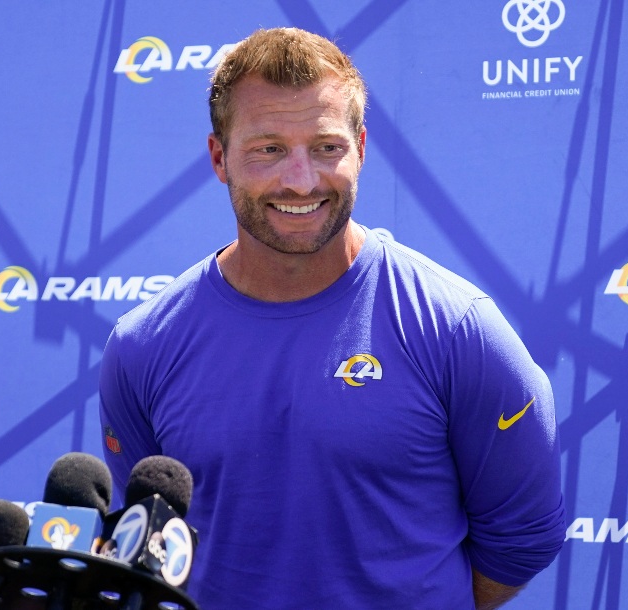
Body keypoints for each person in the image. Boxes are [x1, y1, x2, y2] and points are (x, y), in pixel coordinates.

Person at [99, 27, 564, 609]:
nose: (301, 179)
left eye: (326, 147)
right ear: (220, 158)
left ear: (361, 148)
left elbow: (523, 537)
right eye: (268, 148)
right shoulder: (142, 345)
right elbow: (145, 546)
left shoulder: (456, 327)